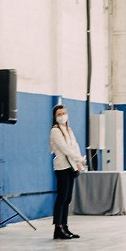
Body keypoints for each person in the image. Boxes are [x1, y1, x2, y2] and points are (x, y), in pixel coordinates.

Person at [48, 103, 85, 240]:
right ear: (55, 117)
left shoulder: (68, 129)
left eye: (64, 113)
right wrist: (79, 158)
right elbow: (65, 149)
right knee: (62, 198)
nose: (62, 116)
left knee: (68, 198)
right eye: (59, 114)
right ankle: (58, 228)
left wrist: (78, 162)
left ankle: (65, 225)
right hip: (62, 167)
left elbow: (75, 146)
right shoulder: (55, 130)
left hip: (71, 166)